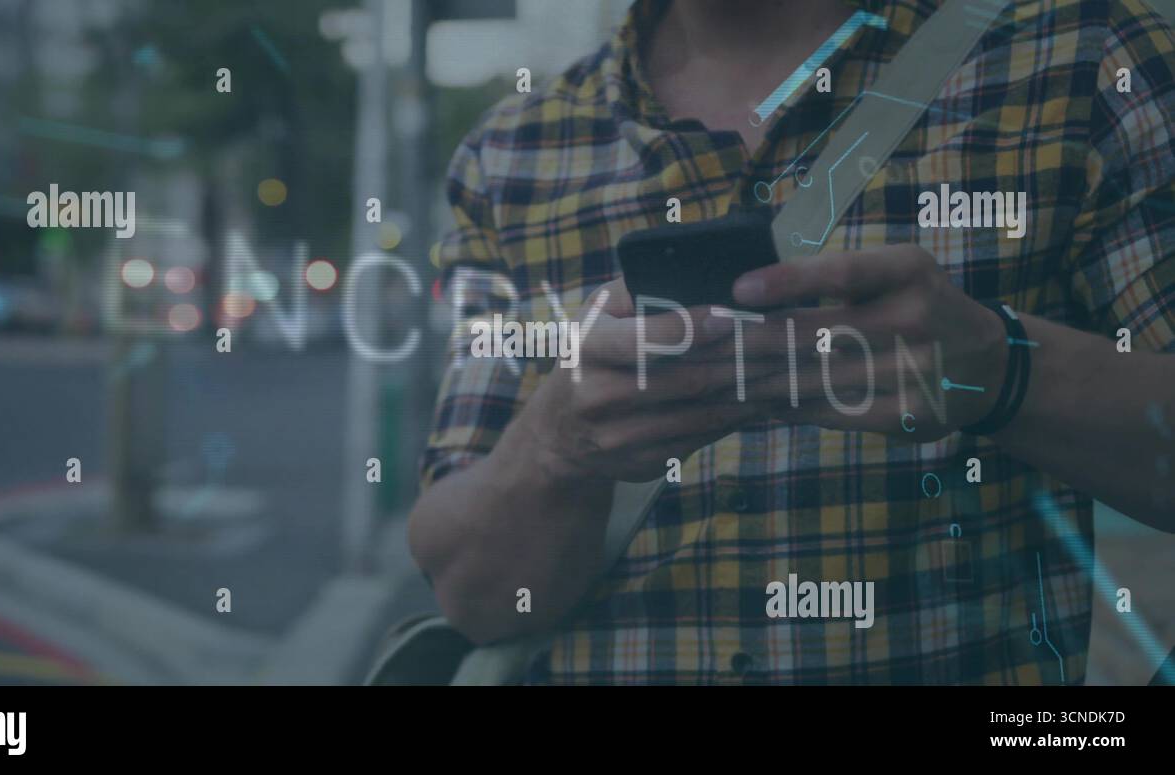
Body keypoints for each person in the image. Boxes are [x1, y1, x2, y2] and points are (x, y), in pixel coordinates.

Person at [408, 0, 1175, 684]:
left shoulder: (1087, 59)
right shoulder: (511, 154)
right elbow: (477, 600)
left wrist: (998, 369)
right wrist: (557, 444)